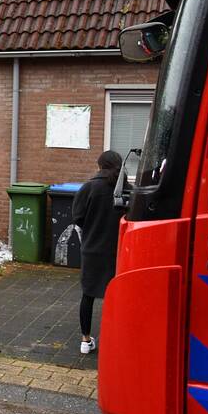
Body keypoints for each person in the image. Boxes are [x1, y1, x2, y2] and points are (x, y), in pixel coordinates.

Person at [72, 150, 124, 354]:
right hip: (117, 250)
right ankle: (116, 338)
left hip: (92, 249)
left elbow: (78, 217)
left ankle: (85, 340)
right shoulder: (126, 189)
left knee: (88, 294)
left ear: (100, 165)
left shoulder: (89, 188)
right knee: (117, 295)